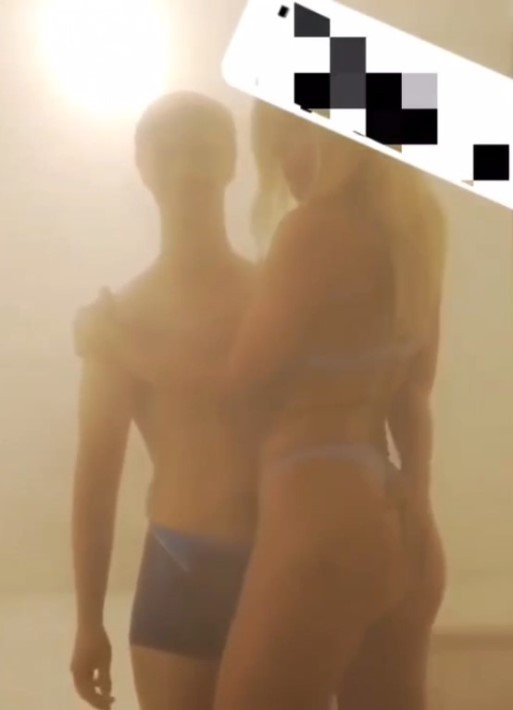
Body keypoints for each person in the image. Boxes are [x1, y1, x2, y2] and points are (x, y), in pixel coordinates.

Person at [79, 101, 447, 709]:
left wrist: (120, 345)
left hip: (303, 538)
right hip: (336, 528)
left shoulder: (289, 261)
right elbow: (411, 394)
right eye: (168, 152)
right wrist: (418, 498)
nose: (284, 166)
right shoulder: (411, 232)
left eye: (287, 142)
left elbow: (235, 383)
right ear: (141, 165)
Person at [69, 91, 260, 710]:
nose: (187, 169)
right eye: (170, 153)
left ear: (231, 160)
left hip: (279, 558)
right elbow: (96, 478)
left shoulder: (272, 297)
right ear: (144, 167)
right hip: (182, 563)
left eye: (203, 150)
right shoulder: (122, 318)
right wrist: (88, 621)